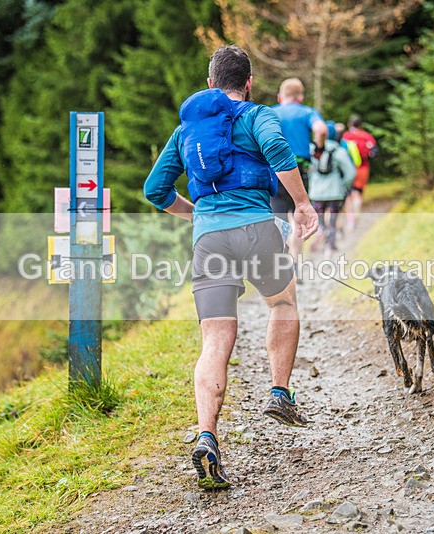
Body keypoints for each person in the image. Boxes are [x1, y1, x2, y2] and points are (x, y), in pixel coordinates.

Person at [143, 45, 319, 490]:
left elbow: (155, 190)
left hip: (209, 240)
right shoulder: (258, 115)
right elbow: (279, 152)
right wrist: (301, 203)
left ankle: (207, 437)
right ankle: (280, 392)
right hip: (258, 230)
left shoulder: (187, 130)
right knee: (282, 302)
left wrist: (196, 216)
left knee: (216, 337)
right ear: (249, 82)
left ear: (209, 84)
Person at [271, 78, 328, 265]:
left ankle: (284, 260)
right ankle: (297, 262)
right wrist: (319, 151)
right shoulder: (307, 112)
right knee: (300, 216)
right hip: (299, 172)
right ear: (300, 97)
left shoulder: (271, 113)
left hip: (275, 173)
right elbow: (320, 130)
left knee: (279, 219)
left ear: (280, 97)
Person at [309, 121, 356, 259]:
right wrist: (343, 185)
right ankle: (329, 249)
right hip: (335, 191)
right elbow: (351, 172)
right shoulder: (339, 150)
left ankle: (321, 231)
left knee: (321, 220)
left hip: (317, 192)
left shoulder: (311, 149)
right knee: (333, 222)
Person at [342, 114, 378, 229]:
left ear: (350, 124)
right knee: (358, 192)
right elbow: (374, 151)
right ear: (361, 124)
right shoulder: (367, 136)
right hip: (363, 168)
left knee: (349, 195)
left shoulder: (346, 136)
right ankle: (357, 215)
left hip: (349, 169)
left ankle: (351, 220)